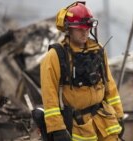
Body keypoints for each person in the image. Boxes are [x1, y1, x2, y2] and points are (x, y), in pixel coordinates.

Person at [40, 1, 124, 141]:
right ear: (69, 29)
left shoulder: (98, 50)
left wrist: (119, 115)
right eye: (80, 28)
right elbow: (49, 96)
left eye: (87, 28)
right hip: (79, 126)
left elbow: (110, 87)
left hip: (105, 122)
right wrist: (57, 129)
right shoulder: (56, 55)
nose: (85, 32)